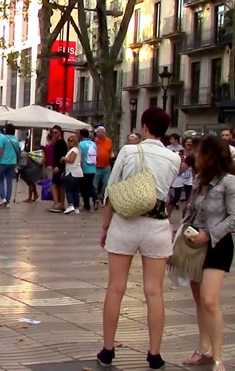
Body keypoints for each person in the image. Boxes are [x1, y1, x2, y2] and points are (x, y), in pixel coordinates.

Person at [98, 107, 181, 370]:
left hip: (125, 223)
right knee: (154, 291)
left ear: (144, 126)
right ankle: (154, 354)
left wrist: (105, 226)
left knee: (116, 287)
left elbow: (111, 190)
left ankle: (108, 350)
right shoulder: (174, 158)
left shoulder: (129, 150)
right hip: (156, 226)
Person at [178, 135, 234, 371]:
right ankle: (204, 349)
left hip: (218, 244)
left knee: (210, 300)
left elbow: (234, 218)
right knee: (199, 300)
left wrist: (208, 234)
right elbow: (192, 208)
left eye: (199, 152)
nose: (195, 156)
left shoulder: (229, 182)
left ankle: (219, 357)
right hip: (194, 244)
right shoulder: (199, 179)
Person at [0, 124, 20, 208]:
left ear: (5, 130)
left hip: (3, 162)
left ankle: (3, 197)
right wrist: (17, 162)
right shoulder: (16, 139)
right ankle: (8, 200)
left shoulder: (3, 138)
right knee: (9, 181)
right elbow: (18, 152)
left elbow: (0, 151)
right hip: (12, 162)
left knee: (0, 180)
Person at [167, 150, 193, 216]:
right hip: (178, 178)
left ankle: (185, 217)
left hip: (189, 179)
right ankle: (167, 216)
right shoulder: (177, 154)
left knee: (189, 199)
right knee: (175, 197)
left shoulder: (192, 155)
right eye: (187, 142)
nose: (188, 144)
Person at [61, 135, 83, 214]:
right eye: (68, 141)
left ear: (75, 141)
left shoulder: (74, 150)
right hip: (78, 173)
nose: (69, 142)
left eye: (71, 141)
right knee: (76, 191)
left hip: (72, 173)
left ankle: (71, 205)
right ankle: (76, 207)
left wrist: (63, 158)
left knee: (69, 190)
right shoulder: (78, 150)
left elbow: (71, 160)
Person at [48, 125, 68, 212]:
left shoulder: (61, 143)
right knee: (60, 186)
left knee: (54, 185)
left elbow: (61, 156)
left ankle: (57, 204)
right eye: (53, 132)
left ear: (60, 132)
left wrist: (58, 166)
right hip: (59, 167)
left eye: (56, 132)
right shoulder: (58, 142)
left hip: (58, 167)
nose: (54, 134)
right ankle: (60, 204)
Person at [94, 126, 114, 210]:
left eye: (102, 132)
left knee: (106, 184)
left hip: (106, 166)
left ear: (104, 133)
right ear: (96, 133)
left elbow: (111, 151)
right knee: (94, 184)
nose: (100, 133)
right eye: (99, 131)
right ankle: (96, 200)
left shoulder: (109, 141)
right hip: (95, 166)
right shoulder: (93, 141)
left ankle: (101, 197)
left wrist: (112, 155)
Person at [78, 129, 98, 211]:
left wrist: (81, 168)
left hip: (85, 169)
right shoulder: (93, 144)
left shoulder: (81, 144)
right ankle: (95, 199)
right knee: (91, 186)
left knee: (84, 188)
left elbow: (81, 157)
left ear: (81, 135)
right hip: (93, 168)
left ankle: (87, 205)